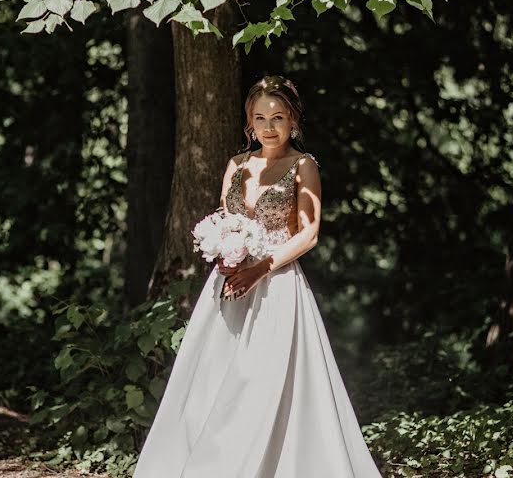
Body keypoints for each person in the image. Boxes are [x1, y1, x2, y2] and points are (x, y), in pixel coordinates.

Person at [132, 76, 384, 478]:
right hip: (229, 285)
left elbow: (309, 233)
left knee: (259, 380)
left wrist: (261, 268)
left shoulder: (304, 166)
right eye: (260, 117)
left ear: (293, 121)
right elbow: (225, 221)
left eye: (278, 117)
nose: (269, 127)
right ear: (249, 122)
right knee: (214, 378)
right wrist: (225, 255)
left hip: (276, 285)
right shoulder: (237, 165)